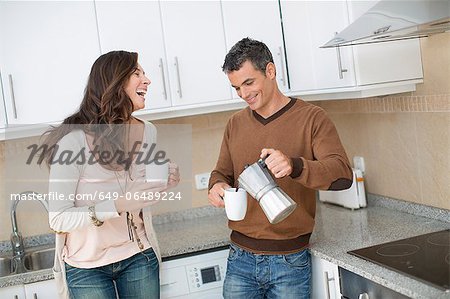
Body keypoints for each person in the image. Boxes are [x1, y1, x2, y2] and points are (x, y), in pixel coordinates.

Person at [208, 38, 353, 299]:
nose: (243, 94)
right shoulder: (235, 124)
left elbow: (343, 174)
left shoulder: (312, 118)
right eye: (236, 87)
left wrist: (295, 165)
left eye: (248, 83)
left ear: (271, 71)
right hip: (240, 258)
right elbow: (222, 172)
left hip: (290, 262)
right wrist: (216, 185)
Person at [40, 50, 180, 299]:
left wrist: (163, 183)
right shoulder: (74, 141)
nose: (147, 80)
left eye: (144, 73)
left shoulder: (147, 131)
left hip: (138, 255)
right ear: (114, 82)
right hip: (86, 267)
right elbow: (58, 219)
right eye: (137, 73)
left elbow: (140, 195)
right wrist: (116, 205)